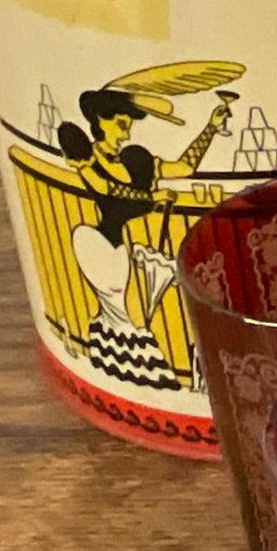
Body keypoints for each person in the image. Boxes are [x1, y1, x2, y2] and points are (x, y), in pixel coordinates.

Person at [57, 87, 231, 389]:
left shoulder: (137, 160)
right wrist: (151, 199)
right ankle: (130, 376)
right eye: (120, 124)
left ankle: (135, 372)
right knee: (125, 314)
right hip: (100, 245)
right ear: (100, 120)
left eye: (128, 126)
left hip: (129, 250)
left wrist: (211, 127)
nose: (126, 133)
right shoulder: (88, 159)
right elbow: (106, 189)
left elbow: (184, 167)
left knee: (132, 315)